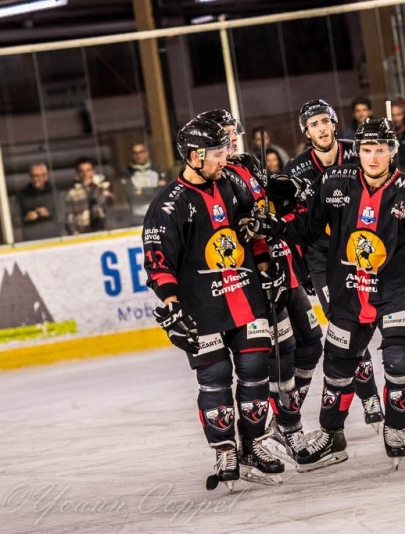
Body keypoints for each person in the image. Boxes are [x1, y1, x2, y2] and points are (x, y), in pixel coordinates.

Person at [276, 118, 405, 470]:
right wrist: (282, 215)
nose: (373, 157)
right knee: (337, 366)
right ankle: (332, 436)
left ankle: (394, 427)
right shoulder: (334, 182)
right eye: (366, 150)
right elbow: (305, 229)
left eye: (380, 149)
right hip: (349, 289)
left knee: (399, 360)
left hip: (399, 291)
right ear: (357, 151)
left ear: (392, 151)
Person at [142, 117, 291, 491]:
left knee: (256, 367)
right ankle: (225, 448)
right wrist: (173, 306)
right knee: (215, 381)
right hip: (200, 309)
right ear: (195, 156)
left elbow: (253, 232)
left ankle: (254, 444)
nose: (225, 159)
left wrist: (266, 267)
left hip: (245, 296)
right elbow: (158, 262)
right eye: (218, 154)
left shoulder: (233, 182)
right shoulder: (167, 205)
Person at [196, 108, 316, 463]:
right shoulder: (216, 178)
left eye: (235, 131)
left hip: (283, 266)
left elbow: (270, 210)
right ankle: (284, 430)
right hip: (258, 276)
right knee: (279, 356)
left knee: (310, 344)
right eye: (224, 134)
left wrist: (286, 193)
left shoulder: (247, 163)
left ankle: (284, 421)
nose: (233, 138)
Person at [64, 157, 114, 234]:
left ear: (93, 171)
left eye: (88, 170)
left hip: (103, 231)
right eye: (82, 171)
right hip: (83, 233)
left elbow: (109, 203)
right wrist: (75, 234)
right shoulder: (72, 193)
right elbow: (69, 217)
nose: (85, 174)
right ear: (78, 173)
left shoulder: (103, 186)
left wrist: (97, 187)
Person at [121, 142, 167, 226]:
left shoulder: (156, 169)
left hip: (158, 213)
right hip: (138, 215)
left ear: (146, 153)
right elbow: (131, 196)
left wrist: (142, 191)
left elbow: (163, 192)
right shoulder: (127, 173)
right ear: (131, 155)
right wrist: (154, 189)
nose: (138, 155)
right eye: (135, 153)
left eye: (141, 152)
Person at [18, 163, 59, 241]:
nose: (35, 179)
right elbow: (14, 220)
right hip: (31, 239)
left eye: (38, 176)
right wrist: (26, 219)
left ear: (45, 176)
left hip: (53, 238)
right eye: (33, 176)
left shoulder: (55, 194)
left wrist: (49, 214)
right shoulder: (22, 196)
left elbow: (61, 217)